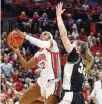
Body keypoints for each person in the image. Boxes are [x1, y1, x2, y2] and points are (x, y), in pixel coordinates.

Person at [9, 30, 61, 104]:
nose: (42, 35)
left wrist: (26, 36)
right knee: (22, 102)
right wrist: (18, 53)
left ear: (50, 37)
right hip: (42, 81)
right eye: (41, 34)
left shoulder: (53, 44)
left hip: (53, 83)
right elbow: (27, 65)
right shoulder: (38, 53)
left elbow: (41, 44)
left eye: (45, 34)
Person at [56, 2, 94, 104]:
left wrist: (59, 17)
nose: (70, 44)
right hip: (79, 97)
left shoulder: (75, 55)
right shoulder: (83, 62)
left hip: (70, 96)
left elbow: (63, 35)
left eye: (73, 43)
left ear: (77, 49)